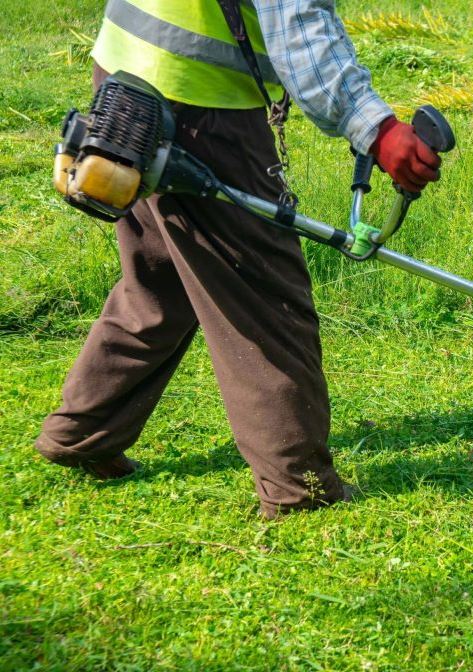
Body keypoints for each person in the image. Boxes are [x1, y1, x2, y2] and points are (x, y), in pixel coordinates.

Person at [34, 0, 440, 518]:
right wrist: (378, 130)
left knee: (161, 280)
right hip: (198, 104)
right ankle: (298, 487)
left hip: (125, 73)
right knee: (264, 298)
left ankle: (83, 431)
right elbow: (299, 27)